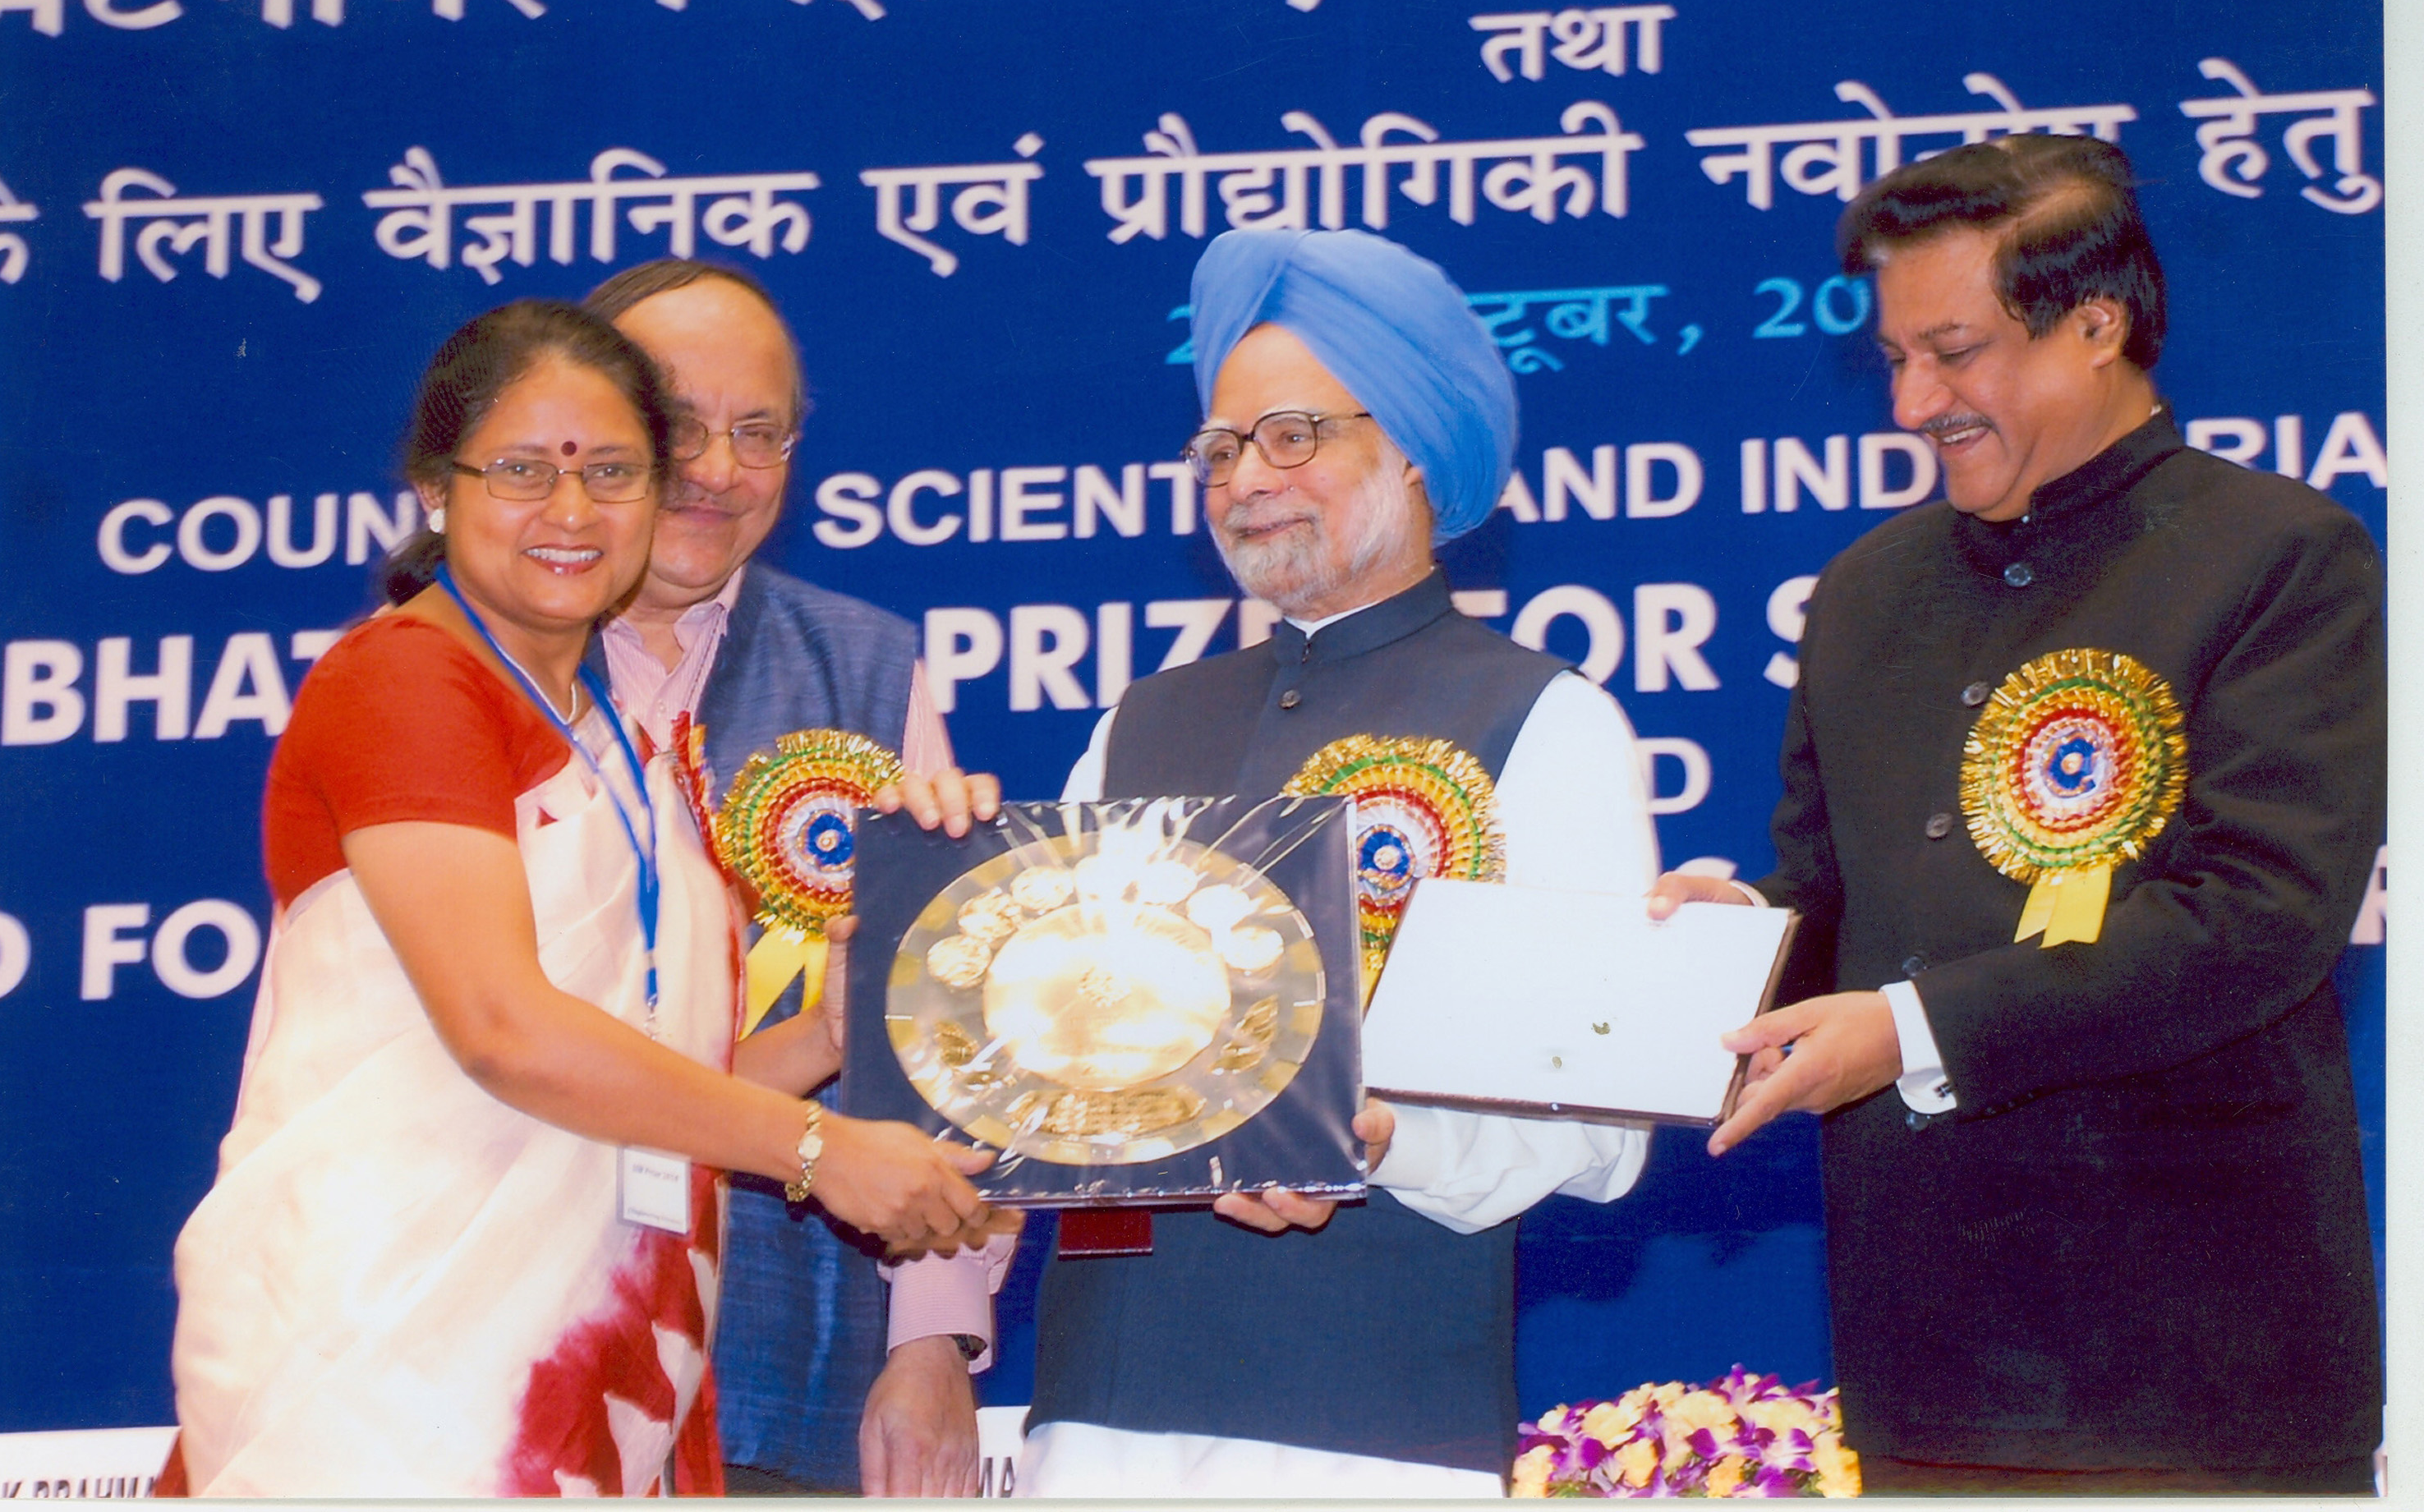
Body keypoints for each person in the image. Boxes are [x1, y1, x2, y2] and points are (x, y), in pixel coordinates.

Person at [165, 301, 1000, 1496]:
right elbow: (506, 1031)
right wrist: (821, 1150)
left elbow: (644, 1074)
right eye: (521, 471)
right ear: (432, 489)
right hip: (387, 1358)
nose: (570, 512)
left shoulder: (615, 745)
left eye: (610, 472)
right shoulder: (407, 678)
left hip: (566, 1365)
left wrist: (827, 1037)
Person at [1649, 136, 2384, 1493]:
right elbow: (1831, 893)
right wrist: (1734, 936)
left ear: (2095, 325)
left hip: (2200, 1373)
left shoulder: (2284, 557)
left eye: (1955, 350)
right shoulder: (1866, 593)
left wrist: (1911, 1028)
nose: (1911, 404)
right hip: (1927, 1360)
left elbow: (2260, 918)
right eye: (1894, 359)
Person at [1019, 228, 1661, 1497]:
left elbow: (1600, 1124)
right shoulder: (1135, 723)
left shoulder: (1545, 720)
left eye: (1291, 435)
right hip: (1099, 1419)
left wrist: (1378, 1141)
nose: (1246, 476)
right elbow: (1050, 1058)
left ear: (1417, 444)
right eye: (1220, 446)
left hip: (1375, 1416)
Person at [581, 259, 1010, 1499]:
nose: (718, 467)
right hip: (506, 1339)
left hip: (781, 1369)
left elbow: (944, 1044)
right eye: (676, 425)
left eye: (757, 431)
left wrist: (935, 1344)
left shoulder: (866, 670)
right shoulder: (487, 666)